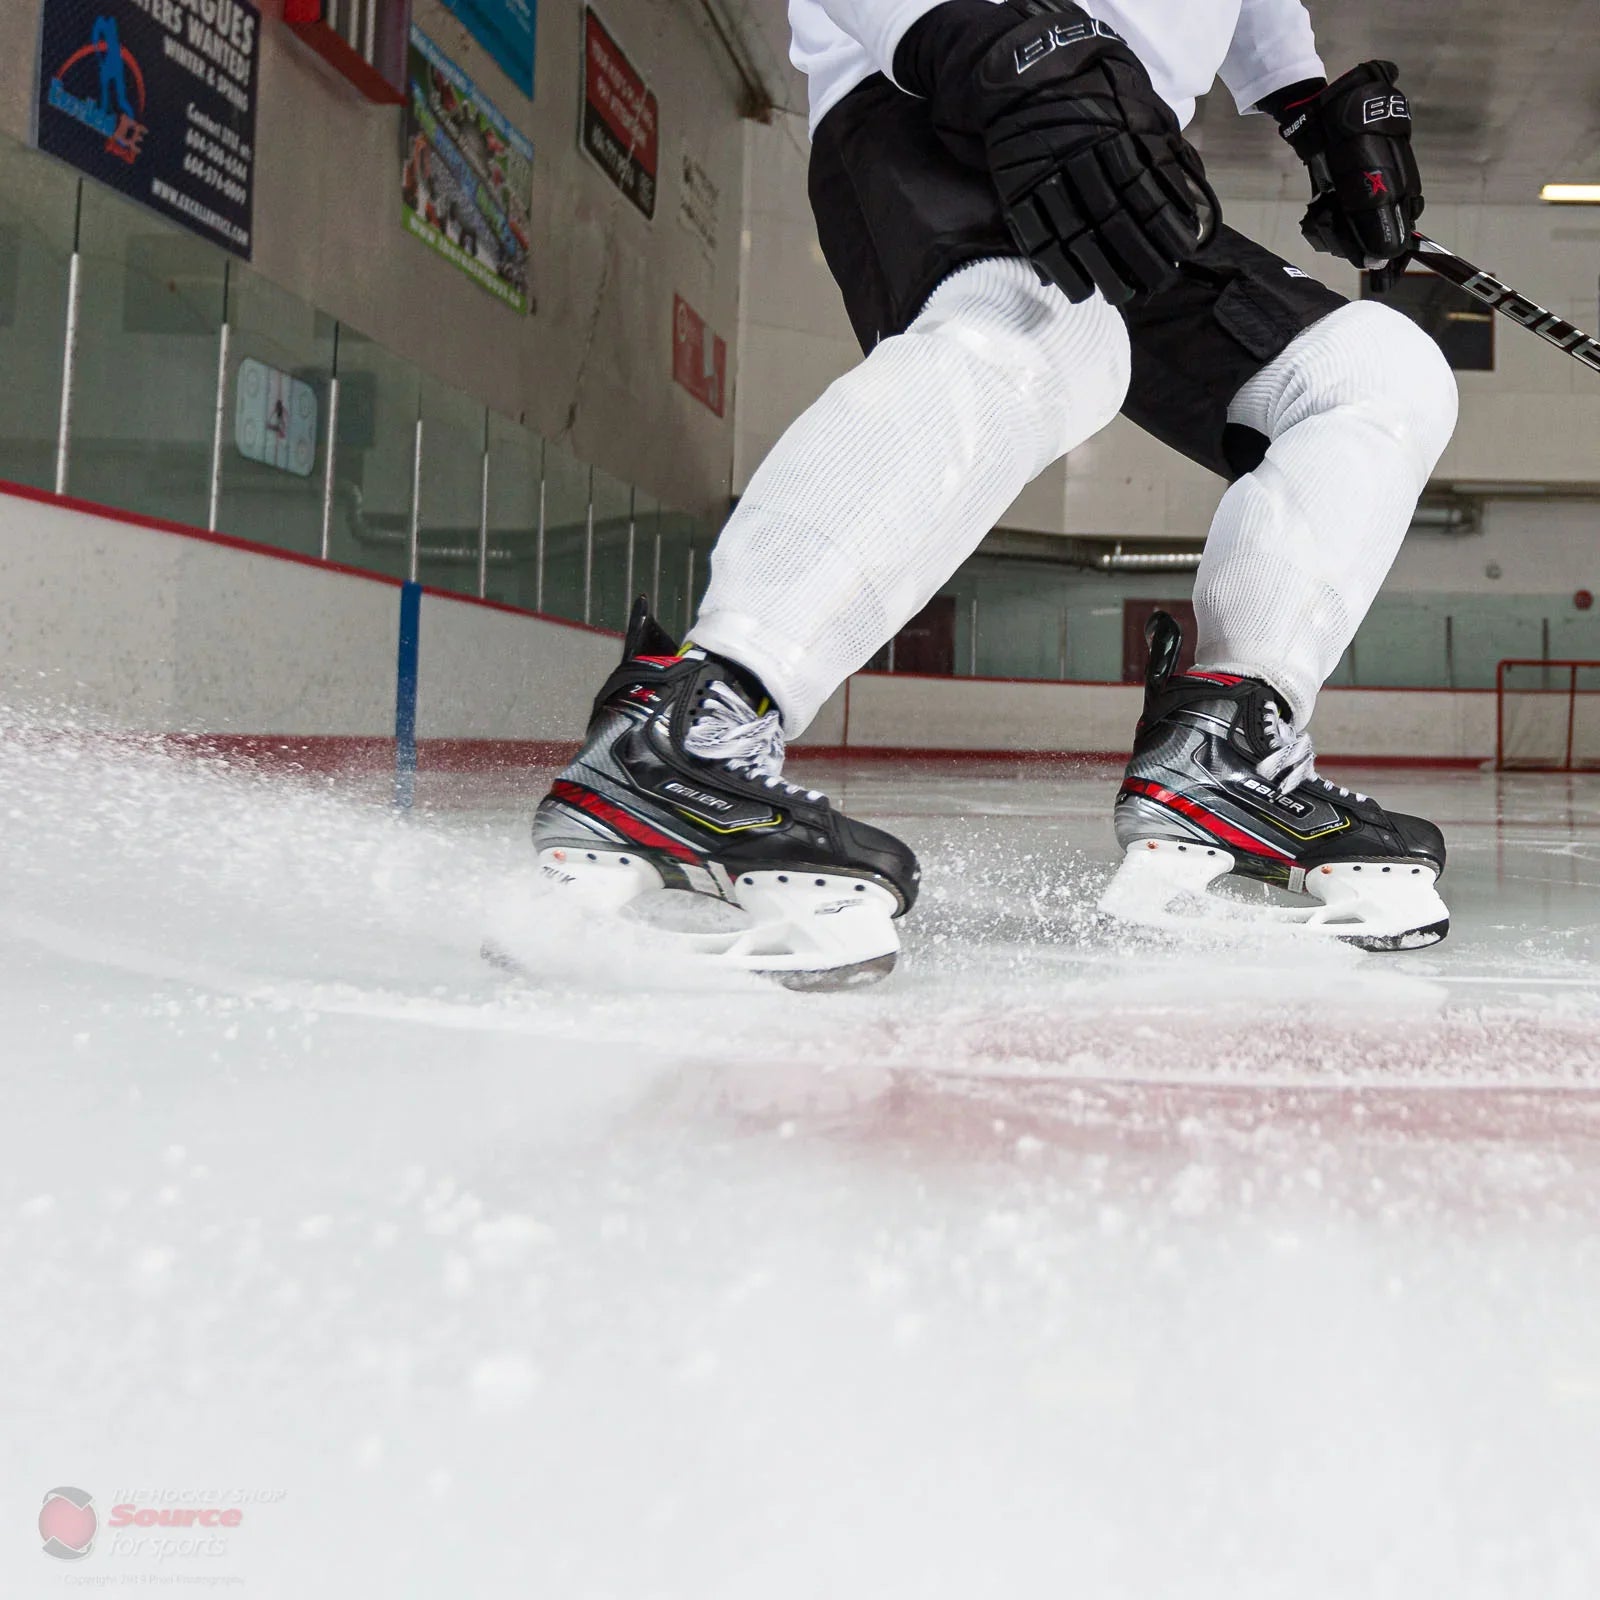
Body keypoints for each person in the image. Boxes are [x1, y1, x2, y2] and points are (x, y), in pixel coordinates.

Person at [529, 0, 1457, 985]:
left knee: (1374, 370)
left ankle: (1226, 753)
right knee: (1044, 327)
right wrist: (976, 34)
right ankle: (690, 728)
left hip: (1122, 137)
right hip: (932, 84)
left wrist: (1304, 100)